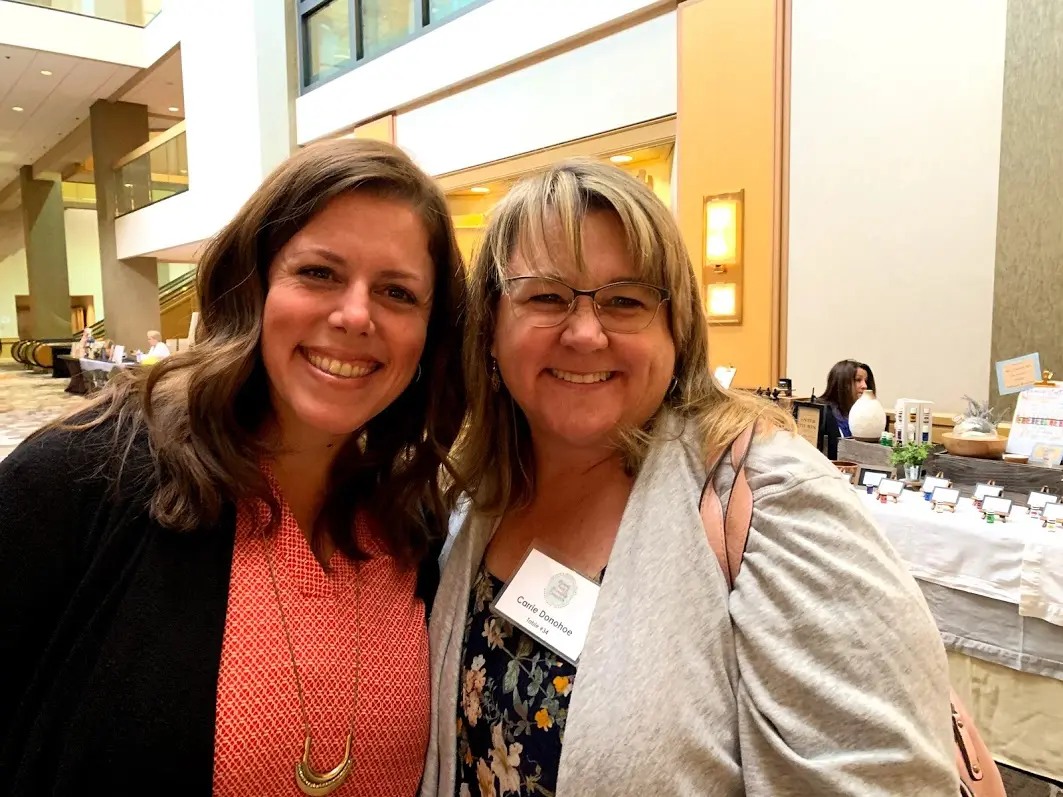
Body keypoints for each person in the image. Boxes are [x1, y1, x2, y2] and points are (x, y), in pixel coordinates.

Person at [421, 161, 957, 796]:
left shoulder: (768, 501)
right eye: (545, 296)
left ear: (676, 329)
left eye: (625, 300)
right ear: (490, 328)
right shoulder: (470, 499)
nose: (587, 332)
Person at [0, 139, 466, 796]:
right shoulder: (85, 472)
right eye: (319, 273)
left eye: (396, 291)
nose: (356, 315)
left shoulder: (413, 522)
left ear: (429, 333)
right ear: (255, 285)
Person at [820, 358, 870, 437]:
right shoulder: (825, 413)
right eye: (858, 380)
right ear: (842, 383)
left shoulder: (865, 413)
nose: (865, 386)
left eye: (865, 381)